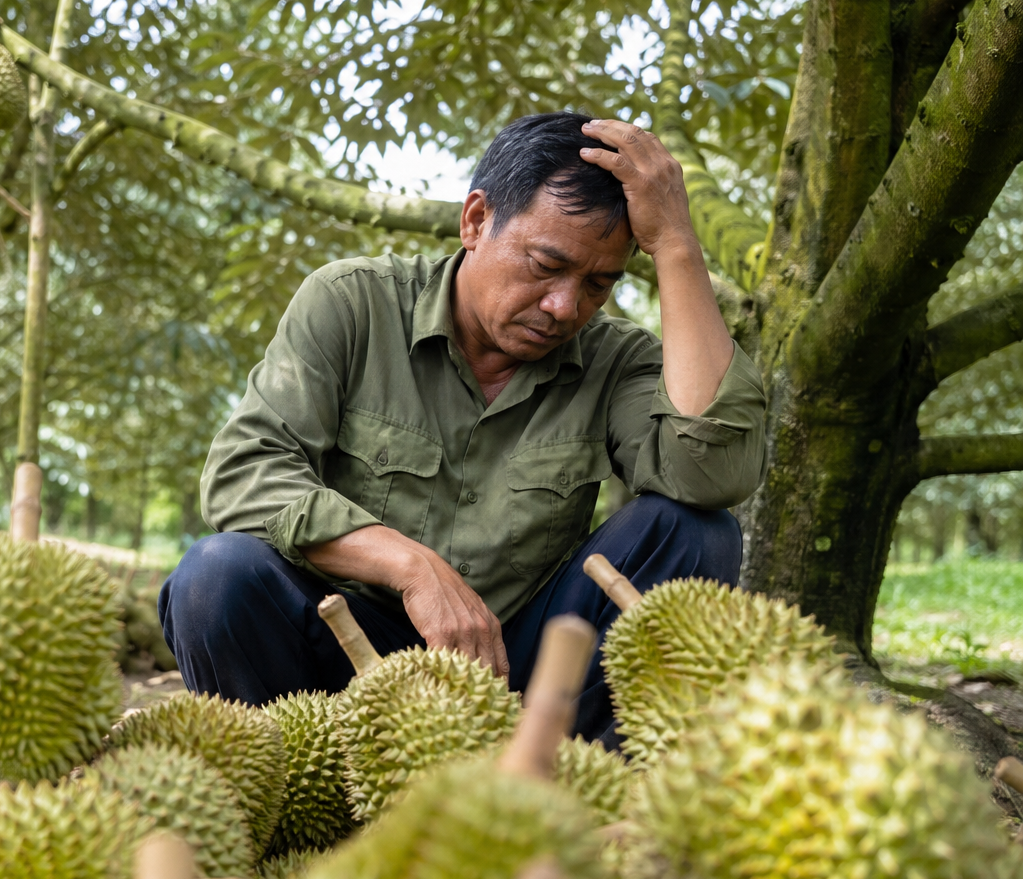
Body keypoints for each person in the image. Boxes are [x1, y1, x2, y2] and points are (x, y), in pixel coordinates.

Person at [159, 112, 767, 746]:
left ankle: (568, 801)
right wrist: (412, 568)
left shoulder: (616, 362)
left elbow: (711, 473)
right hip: (343, 657)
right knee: (214, 575)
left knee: (696, 532)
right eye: (544, 265)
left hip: (521, 680)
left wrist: (675, 243)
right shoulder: (352, 303)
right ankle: (285, 796)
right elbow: (243, 472)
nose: (564, 307)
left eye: (597, 284)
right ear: (476, 220)